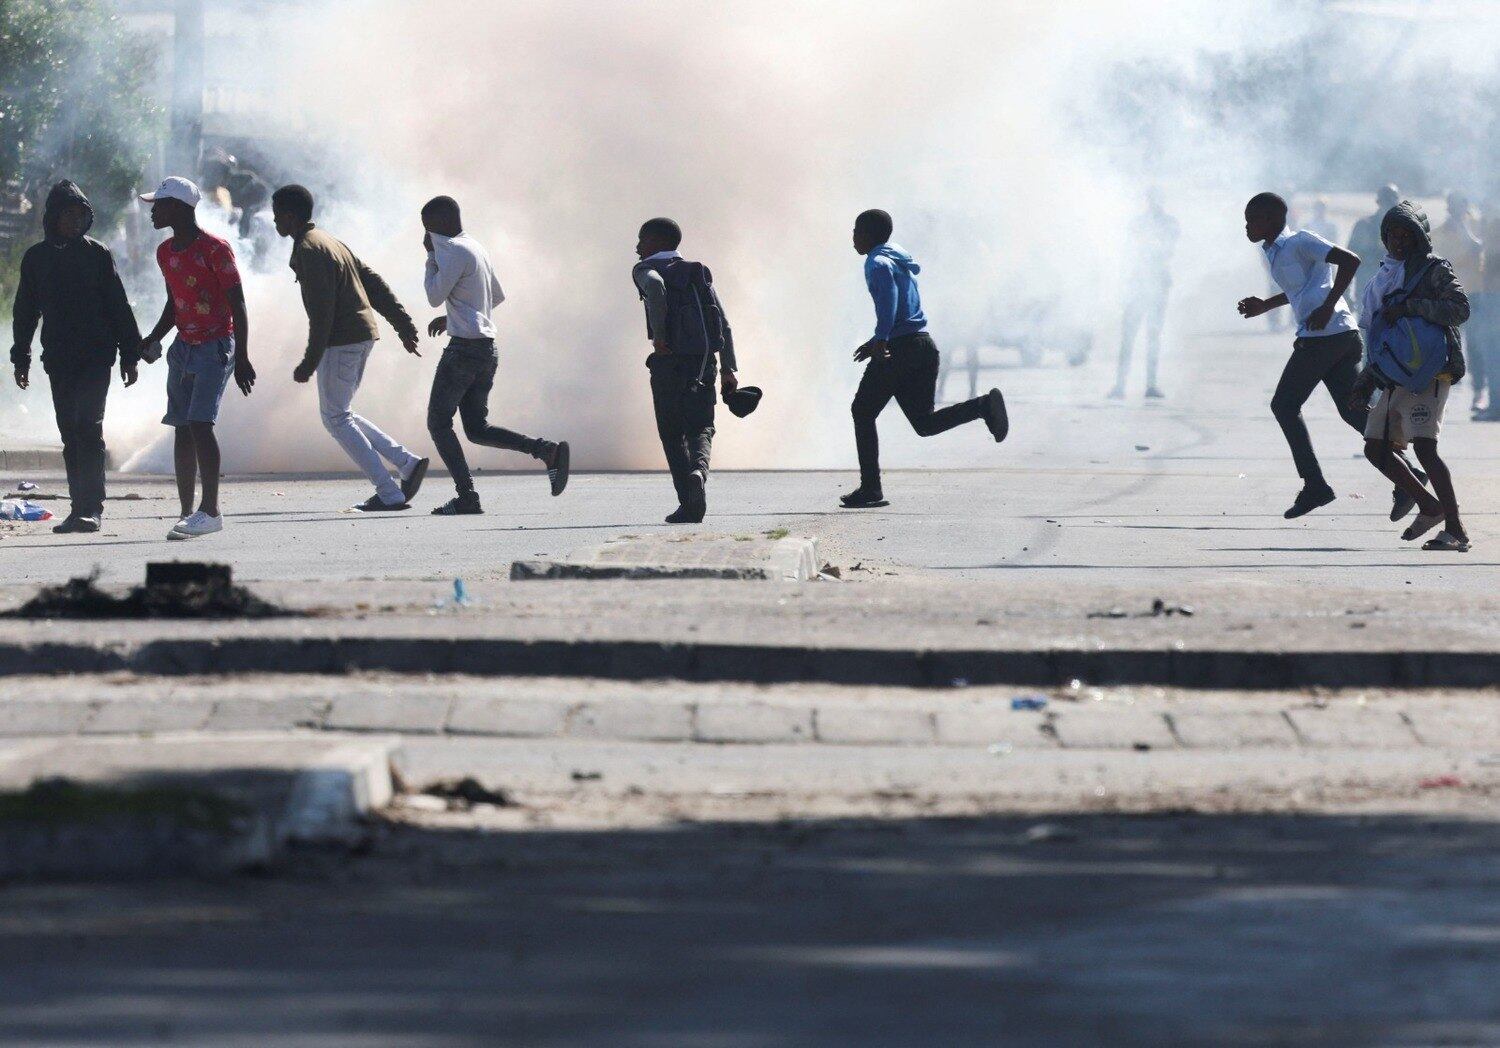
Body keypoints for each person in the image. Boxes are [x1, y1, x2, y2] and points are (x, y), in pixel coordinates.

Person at [1236, 191, 1423, 520]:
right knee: (1353, 413)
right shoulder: (1274, 253)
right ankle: (1408, 477)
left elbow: (1351, 261)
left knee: (1283, 404)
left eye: (1253, 219)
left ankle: (1315, 485)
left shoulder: (1301, 241)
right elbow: (1299, 290)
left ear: (1273, 219)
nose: (1247, 226)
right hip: (1335, 337)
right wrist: (1266, 305)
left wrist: (1326, 306)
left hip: (1327, 337)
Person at [271, 184, 429, 511]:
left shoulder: (310, 249)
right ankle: (407, 464)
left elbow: (322, 313)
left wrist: (309, 361)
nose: (274, 222)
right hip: (360, 335)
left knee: (336, 417)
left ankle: (389, 492)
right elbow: (372, 281)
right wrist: (402, 323)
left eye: (277, 215)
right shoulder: (330, 241)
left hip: (341, 340)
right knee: (340, 413)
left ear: (289, 215)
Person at [842, 209, 1008, 508]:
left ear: (867, 234)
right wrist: (876, 339)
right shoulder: (898, 258)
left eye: (856, 230)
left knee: (862, 411)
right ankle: (983, 406)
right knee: (924, 423)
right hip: (922, 345)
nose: (852, 237)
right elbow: (904, 311)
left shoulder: (877, 262)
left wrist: (881, 339)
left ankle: (871, 489)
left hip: (899, 350)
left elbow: (890, 299)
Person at [9, 181, 142, 533]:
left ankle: (92, 508)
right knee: (70, 432)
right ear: (53, 217)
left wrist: (130, 353)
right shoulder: (36, 258)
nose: (75, 220)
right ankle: (76, 507)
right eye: (68, 214)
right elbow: (25, 311)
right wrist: (20, 355)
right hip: (59, 358)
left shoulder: (97, 254)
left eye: (81, 214)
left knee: (89, 427)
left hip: (97, 357)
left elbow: (118, 305)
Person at [421, 195, 568, 515]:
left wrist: (431, 257)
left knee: (438, 423)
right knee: (476, 429)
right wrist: (456, 316)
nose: (427, 236)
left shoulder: (451, 250)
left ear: (442, 223)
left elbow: (434, 295)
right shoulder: (476, 247)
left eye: (428, 229)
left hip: (463, 351)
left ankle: (467, 497)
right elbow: (494, 296)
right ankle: (546, 451)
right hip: (487, 350)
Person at [138, 176, 255, 540]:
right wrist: (154, 338)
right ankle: (188, 511)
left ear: (179, 207)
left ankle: (211, 511)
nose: (153, 210)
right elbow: (175, 304)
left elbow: (238, 303)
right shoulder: (166, 252)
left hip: (215, 345)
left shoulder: (215, 250)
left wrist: (243, 358)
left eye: (159, 204)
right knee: (182, 427)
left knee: (201, 424)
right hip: (183, 347)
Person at [1351, 200, 1471, 552]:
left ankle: (1456, 530)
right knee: (1375, 448)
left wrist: (1411, 306)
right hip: (1392, 374)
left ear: (1420, 237)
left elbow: (1459, 309)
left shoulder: (1433, 270)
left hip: (1429, 372)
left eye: (1407, 235)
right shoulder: (1383, 276)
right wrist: (1365, 380)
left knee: (1425, 449)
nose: (1399, 242)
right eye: (1393, 235)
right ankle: (1429, 506)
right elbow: (1379, 336)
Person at [631, 217, 738, 523]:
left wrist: (661, 337)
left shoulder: (645, 268)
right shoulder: (697, 272)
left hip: (669, 361)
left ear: (657, 242)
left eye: (642, 239)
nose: (637, 247)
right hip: (704, 361)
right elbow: (724, 323)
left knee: (671, 432)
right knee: (701, 426)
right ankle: (699, 473)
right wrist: (729, 369)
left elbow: (654, 286)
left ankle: (688, 503)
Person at [1110, 188, 1179, 399]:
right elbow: (1128, 252)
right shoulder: (1139, 224)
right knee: (1129, 336)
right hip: (1139, 284)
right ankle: (1120, 385)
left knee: (1152, 336)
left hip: (1156, 283)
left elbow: (1168, 249)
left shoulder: (1168, 224)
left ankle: (1149, 384)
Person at [1432, 191, 1484, 413]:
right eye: (1454, 206)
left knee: (1477, 344)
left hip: (1475, 293)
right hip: (1451, 294)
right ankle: (1442, 388)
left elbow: (1480, 249)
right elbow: (1449, 260)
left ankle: (1479, 390)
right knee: (1448, 343)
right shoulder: (1440, 232)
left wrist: (1466, 230)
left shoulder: (1476, 226)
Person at [1349, 184, 1401, 310]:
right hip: (1368, 290)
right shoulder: (1363, 225)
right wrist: (1345, 293)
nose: (1388, 206)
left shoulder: (1403, 229)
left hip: (1394, 294)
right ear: (1379, 202)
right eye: (1386, 201)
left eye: (1391, 202)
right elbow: (1349, 259)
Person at [1473, 199, 1500, 421]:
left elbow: (1492, 261)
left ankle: (1496, 406)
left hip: (1494, 296)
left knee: (1493, 353)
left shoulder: (1495, 225)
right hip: (1491, 295)